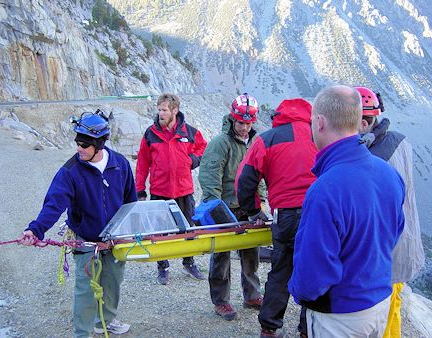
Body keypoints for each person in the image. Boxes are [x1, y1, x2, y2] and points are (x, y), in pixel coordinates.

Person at [288, 85, 405, 337]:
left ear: (319, 122)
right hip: (379, 302)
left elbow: (312, 273)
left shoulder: (326, 188)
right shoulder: (389, 174)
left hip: (339, 315)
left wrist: (300, 293)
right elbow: (392, 235)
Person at [18, 110, 137, 338]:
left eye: (84, 143)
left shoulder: (120, 165)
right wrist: (35, 229)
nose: (78, 148)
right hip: (85, 238)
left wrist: (131, 231)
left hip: (115, 239)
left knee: (113, 282)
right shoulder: (70, 171)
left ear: (99, 144)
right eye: (77, 141)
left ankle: (106, 321)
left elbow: (130, 201)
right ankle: (82, 333)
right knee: (85, 289)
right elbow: (54, 205)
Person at [236, 98, 317, 337]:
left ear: (278, 116)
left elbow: (245, 180)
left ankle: (269, 328)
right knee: (313, 270)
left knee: (281, 271)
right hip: (317, 213)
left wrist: (253, 211)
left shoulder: (266, 139)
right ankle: (307, 330)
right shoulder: (320, 136)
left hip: (286, 216)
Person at [356, 86, 425, 338]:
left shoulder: (374, 156)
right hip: (403, 244)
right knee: (393, 309)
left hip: (387, 254)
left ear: (363, 123)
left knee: (382, 316)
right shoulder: (398, 141)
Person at [199, 93, 265, 321]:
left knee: (251, 254)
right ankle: (221, 300)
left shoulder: (257, 142)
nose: (245, 127)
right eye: (241, 123)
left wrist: (262, 199)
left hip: (248, 206)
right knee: (221, 257)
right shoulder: (221, 143)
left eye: (248, 123)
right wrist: (214, 206)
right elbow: (210, 175)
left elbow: (262, 173)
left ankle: (252, 295)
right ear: (232, 119)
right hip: (225, 207)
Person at [135, 93, 207, 285]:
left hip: (184, 191)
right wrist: (140, 190)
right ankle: (163, 267)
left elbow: (203, 148)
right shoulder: (150, 134)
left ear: (175, 110)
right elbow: (142, 164)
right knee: (159, 232)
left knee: (188, 229)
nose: (160, 113)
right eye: (159, 110)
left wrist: (193, 160)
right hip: (159, 191)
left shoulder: (189, 132)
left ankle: (189, 262)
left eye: (164, 110)